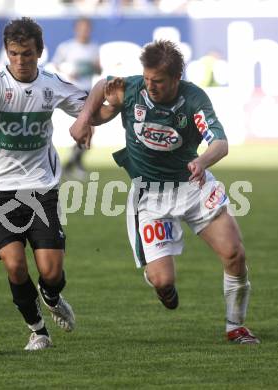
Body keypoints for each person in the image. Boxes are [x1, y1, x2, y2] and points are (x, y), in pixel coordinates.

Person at [69, 40, 260, 344]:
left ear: (176, 78)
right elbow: (101, 87)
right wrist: (83, 119)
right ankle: (161, 284)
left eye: (157, 81)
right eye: (146, 79)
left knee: (234, 253)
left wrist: (202, 160)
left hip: (193, 186)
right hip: (151, 195)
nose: (150, 86)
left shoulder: (194, 99)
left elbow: (220, 143)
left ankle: (235, 326)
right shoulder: (132, 89)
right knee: (163, 280)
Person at [0, 17, 90, 351]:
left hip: (41, 188)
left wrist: (97, 113)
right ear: (7, 52)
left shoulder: (52, 84)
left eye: (27, 54)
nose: (20, 61)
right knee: (16, 266)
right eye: (14, 54)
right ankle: (38, 331)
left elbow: (88, 108)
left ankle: (51, 294)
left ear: (39, 52)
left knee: (51, 271)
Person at [52, 17, 101, 180]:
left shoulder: (94, 47)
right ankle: (73, 164)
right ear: (76, 29)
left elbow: (98, 69)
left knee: (89, 130)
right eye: (82, 27)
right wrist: (67, 71)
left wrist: (96, 67)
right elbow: (56, 65)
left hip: (88, 91)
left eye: (87, 27)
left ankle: (71, 163)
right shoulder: (67, 47)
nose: (84, 30)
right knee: (88, 129)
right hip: (72, 92)